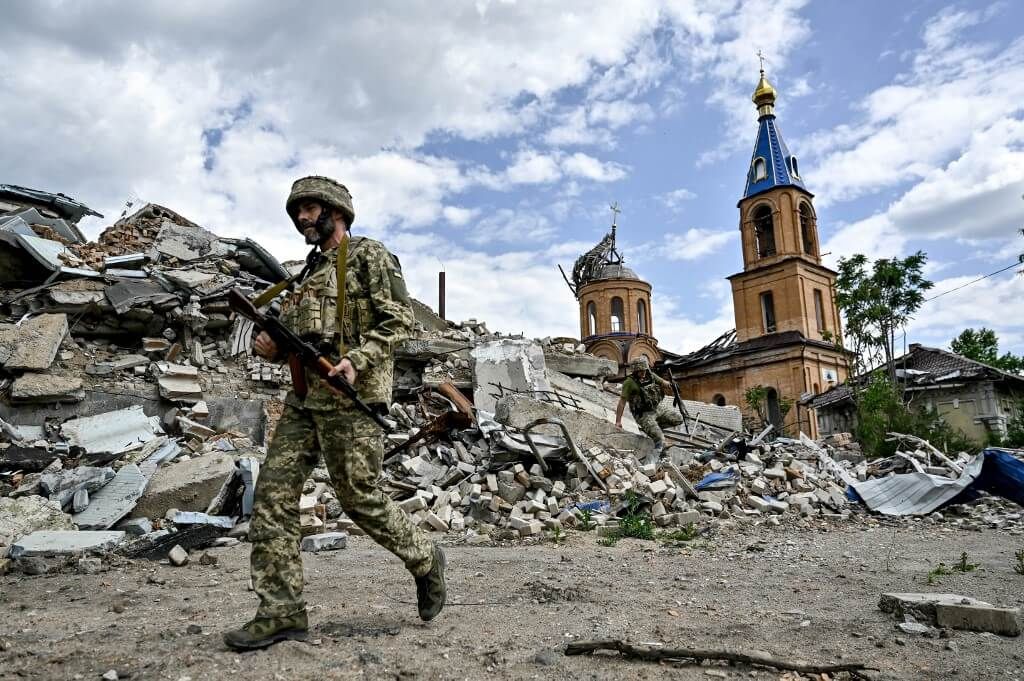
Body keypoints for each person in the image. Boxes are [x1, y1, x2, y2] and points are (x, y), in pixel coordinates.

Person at [224, 176, 446, 651]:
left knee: (359, 499)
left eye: (310, 208)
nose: (303, 218)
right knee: (272, 496)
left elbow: (399, 319)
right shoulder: (304, 275)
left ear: (336, 211)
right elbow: (293, 342)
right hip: (305, 400)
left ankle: (426, 557)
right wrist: (270, 348)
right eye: (298, 211)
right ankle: (281, 611)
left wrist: (357, 360)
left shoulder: (368, 255)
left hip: (353, 396)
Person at [614, 356, 683, 458]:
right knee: (660, 439)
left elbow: (664, 383)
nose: (644, 373)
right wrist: (618, 421)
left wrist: (671, 385)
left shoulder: (650, 375)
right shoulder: (629, 383)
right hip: (643, 414)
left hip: (657, 408)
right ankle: (659, 449)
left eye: (645, 370)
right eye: (641, 371)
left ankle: (653, 428)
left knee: (678, 419)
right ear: (635, 371)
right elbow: (622, 402)